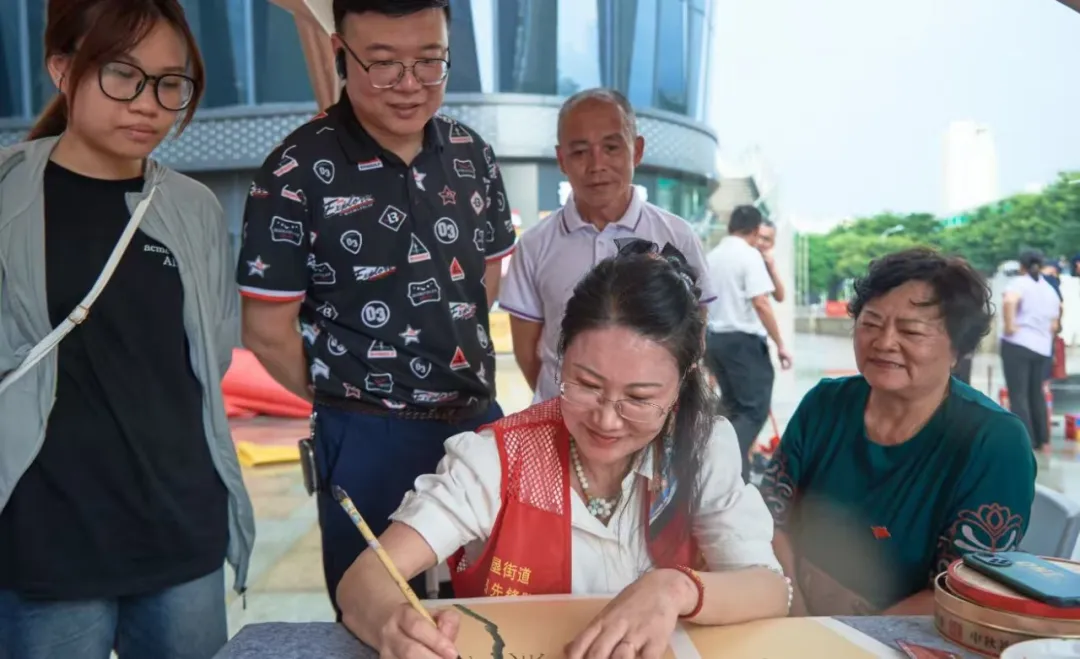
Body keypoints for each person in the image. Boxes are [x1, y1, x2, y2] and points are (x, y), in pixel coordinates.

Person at [336, 240, 790, 659]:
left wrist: (674, 588)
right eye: (586, 385)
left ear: (682, 382)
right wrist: (390, 622)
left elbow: (769, 590)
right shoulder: (498, 459)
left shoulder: (702, 447)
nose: (607, 420)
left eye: (639, 397)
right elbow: (364, 580)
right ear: (561, 357)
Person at [235, 0, 516, 610]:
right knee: (379, 614)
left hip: (477, 427)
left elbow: (484, 282)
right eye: (384, 64)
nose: (409, 85)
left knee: (493, 605)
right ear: (341, 54)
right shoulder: (294, 170)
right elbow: (266, 330)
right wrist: (351, 393)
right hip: (366, 436)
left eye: (430, 61)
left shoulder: (472, 155)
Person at [0, 1, 254, 657]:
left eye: (171, 83)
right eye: (122, 74)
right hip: (45, 546)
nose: (148, 103)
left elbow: (212, 357)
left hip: (181, 541)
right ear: (62, 69)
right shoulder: (8, 197)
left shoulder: (194, 208)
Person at [760, 248, 1036, 617]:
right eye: (871, 323)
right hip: (795, 615)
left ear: (958, 348)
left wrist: (849, 640)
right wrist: (795, 613)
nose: (884, 342)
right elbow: (768, 520)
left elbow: (963, 589)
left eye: (911, 331)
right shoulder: (825, 404)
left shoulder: (994, 441)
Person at [500, 88, 716, 403]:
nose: (596, 165)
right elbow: (527, 353)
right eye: (580, 152)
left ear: (637, 151)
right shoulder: (534, 245)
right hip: (561, 416)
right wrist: (571, 403)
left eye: (611, 147)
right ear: (561, 160)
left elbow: (695, 334)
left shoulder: (678, 236)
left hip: (650, 419)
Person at [704, 205, 793, 482]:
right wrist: (780, 343)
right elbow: (761, 302)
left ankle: (734, 480)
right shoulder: (748, 255)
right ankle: (719, 461)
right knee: (754, 410)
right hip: (743, 343)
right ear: (755, 231)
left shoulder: (712, 256)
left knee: (731, 407)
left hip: (715, 340)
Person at [1001, 249, 1061, 452]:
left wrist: (1010, 326)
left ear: (1021, 266)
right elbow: (1056, 318)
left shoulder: (1019, 283)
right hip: (1042, 347)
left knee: (1018, 394)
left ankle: (1024, 439)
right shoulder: (1048, 288)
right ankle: (1042, 438)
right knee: (1036, 393)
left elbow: (1009, 301)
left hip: (1018, 344)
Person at [756, 218, 786, 303]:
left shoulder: (767, 265)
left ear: (772, 244)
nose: (760, 242)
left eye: (766, 239)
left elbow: (780, 297)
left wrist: (771, 269)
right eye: (757, 237)